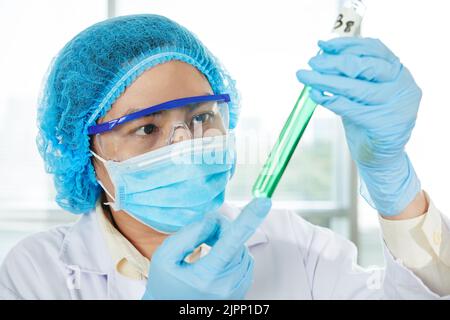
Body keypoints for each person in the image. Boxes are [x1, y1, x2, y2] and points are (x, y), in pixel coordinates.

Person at [0, 14, 448, 300]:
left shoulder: (296, 246)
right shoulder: (36, 273)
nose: (184, 144)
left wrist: (392, 181)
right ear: (86, 152)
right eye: (147, 128)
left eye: (201, 116)